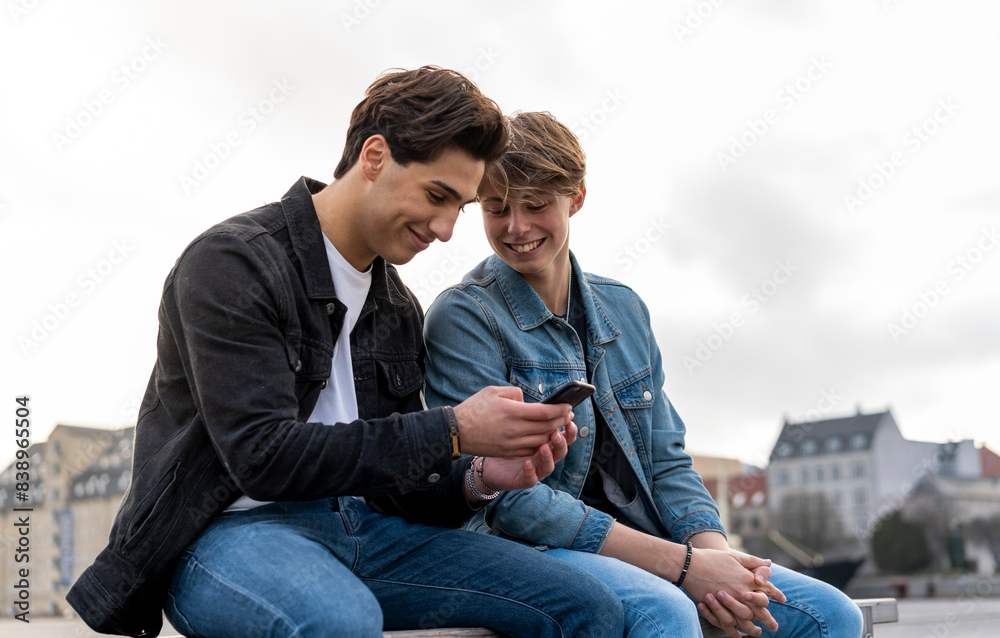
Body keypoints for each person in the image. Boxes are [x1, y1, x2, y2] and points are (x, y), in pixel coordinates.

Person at [67, 71, 625, 638]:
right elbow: (262, 457)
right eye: (437, 196)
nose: (447, 229)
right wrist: (453, 429)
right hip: (227, 537)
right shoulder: (233, 264)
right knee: (337, 622)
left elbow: (398, 487)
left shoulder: (398, 307)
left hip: (367, 532)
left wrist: (480, 477)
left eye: (461, 206)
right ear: (375, 156)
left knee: (588, 606)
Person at [423, 111, 866, 638]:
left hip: (658, 544)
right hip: (532, 552)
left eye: (537, 205)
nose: (516, 227)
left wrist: (715, 562)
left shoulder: (624, 309)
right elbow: (511, 502)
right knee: (666, 612)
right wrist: (681, 568)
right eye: (496, 209)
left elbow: (666, 460)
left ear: (577, 198)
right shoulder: (464, 318)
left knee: (834, 615)